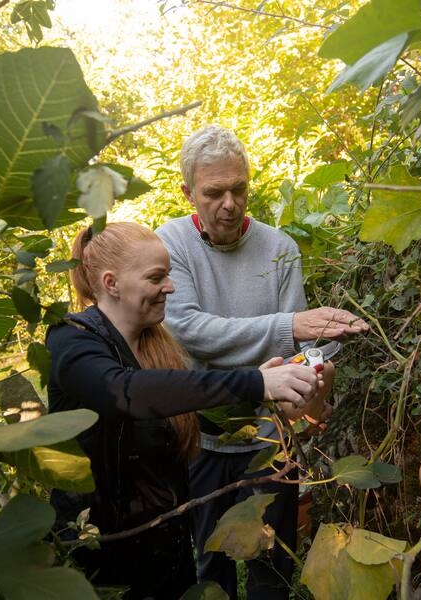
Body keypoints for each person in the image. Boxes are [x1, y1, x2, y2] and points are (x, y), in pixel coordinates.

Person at [45, 222, 321, 600]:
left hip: (164, 546)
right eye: (156, 277)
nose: (170, 287)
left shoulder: (156, 345)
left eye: (169, 275)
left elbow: (186, 416)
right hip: (98, 552)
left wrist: (267, 395)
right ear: (112, 283)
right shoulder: (71, 340)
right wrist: (254, 382)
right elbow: (124, 394)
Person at [156, 126, 369, 599]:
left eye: (239, 189)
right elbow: (189, 331)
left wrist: (317, 370)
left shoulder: (279, 248)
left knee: (273, 562)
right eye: (214, 193)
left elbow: (299, 350)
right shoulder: (171, 244)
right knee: (211, 562)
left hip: (271, 439)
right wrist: (287, 326)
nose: (229, 204)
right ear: (188, 192)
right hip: (204, 434)